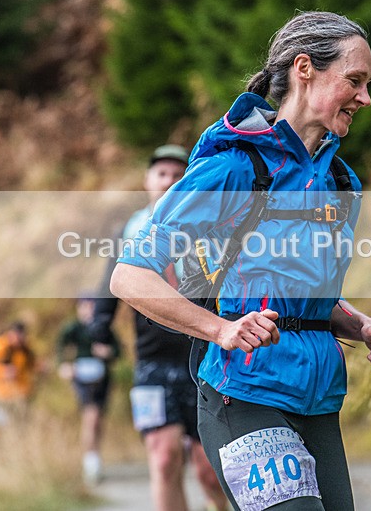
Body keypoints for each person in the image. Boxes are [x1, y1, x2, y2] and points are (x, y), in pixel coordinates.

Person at [109, 11, 371, 511]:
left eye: (368, 84)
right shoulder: (235, 168)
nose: (366, 98)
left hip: (318, 398)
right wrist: (221, 330)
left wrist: (356, 323)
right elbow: (130, 275)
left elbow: (299, 296)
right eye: (354, 81)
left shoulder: (340, 184)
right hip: (241, 391)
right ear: (305, 69)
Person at [92, 144, 229, 510]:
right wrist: (100, 329)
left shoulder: (206, 226)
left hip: (202, 357)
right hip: (152, 359)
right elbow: (111, 282)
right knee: (164, 457)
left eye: (177, 175)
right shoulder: (131, 229)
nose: (169, 181)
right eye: (162, 174)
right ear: (148, 181)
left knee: (208, 469)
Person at [57, 295, 121, 485]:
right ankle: (90, 465)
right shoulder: (73, 328)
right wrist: (65, 365)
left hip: (102, 379)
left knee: (97, 420)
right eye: (84, 306)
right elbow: (61, 348)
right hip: (83, 378)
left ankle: (94, 459)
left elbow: (117, 351)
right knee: (90, 417)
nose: (88, 310)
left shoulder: (104, 328)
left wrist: (107, 352)